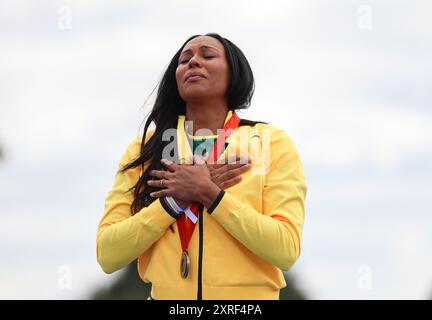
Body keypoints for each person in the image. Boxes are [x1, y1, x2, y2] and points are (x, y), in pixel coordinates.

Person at [96, 33, 307, 300]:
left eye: (207, 55)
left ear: (234, 73)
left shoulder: (272, 142)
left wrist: (209, 193)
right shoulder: (146, 149)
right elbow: (108, 254)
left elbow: (285, 249)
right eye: (184, 60)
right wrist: (172, 203)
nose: (193, 62)